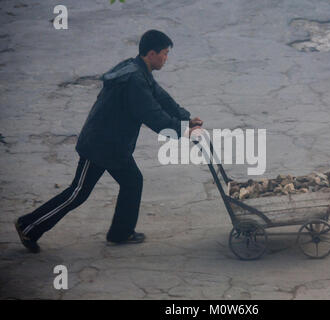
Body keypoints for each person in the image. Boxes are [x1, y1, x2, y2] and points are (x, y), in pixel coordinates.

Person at [14, 30, 203, 253]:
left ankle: (121, 233)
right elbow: (153, 115)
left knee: (132, 181)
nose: (166, 58)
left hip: (115, 146)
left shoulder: (138, 70)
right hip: (100, 145)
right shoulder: (134, 80)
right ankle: (28, 225)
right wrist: (183, 131)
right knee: (78, 193)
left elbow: (161, 98)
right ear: (151, 53)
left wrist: (187, 119)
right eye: (164, 53)